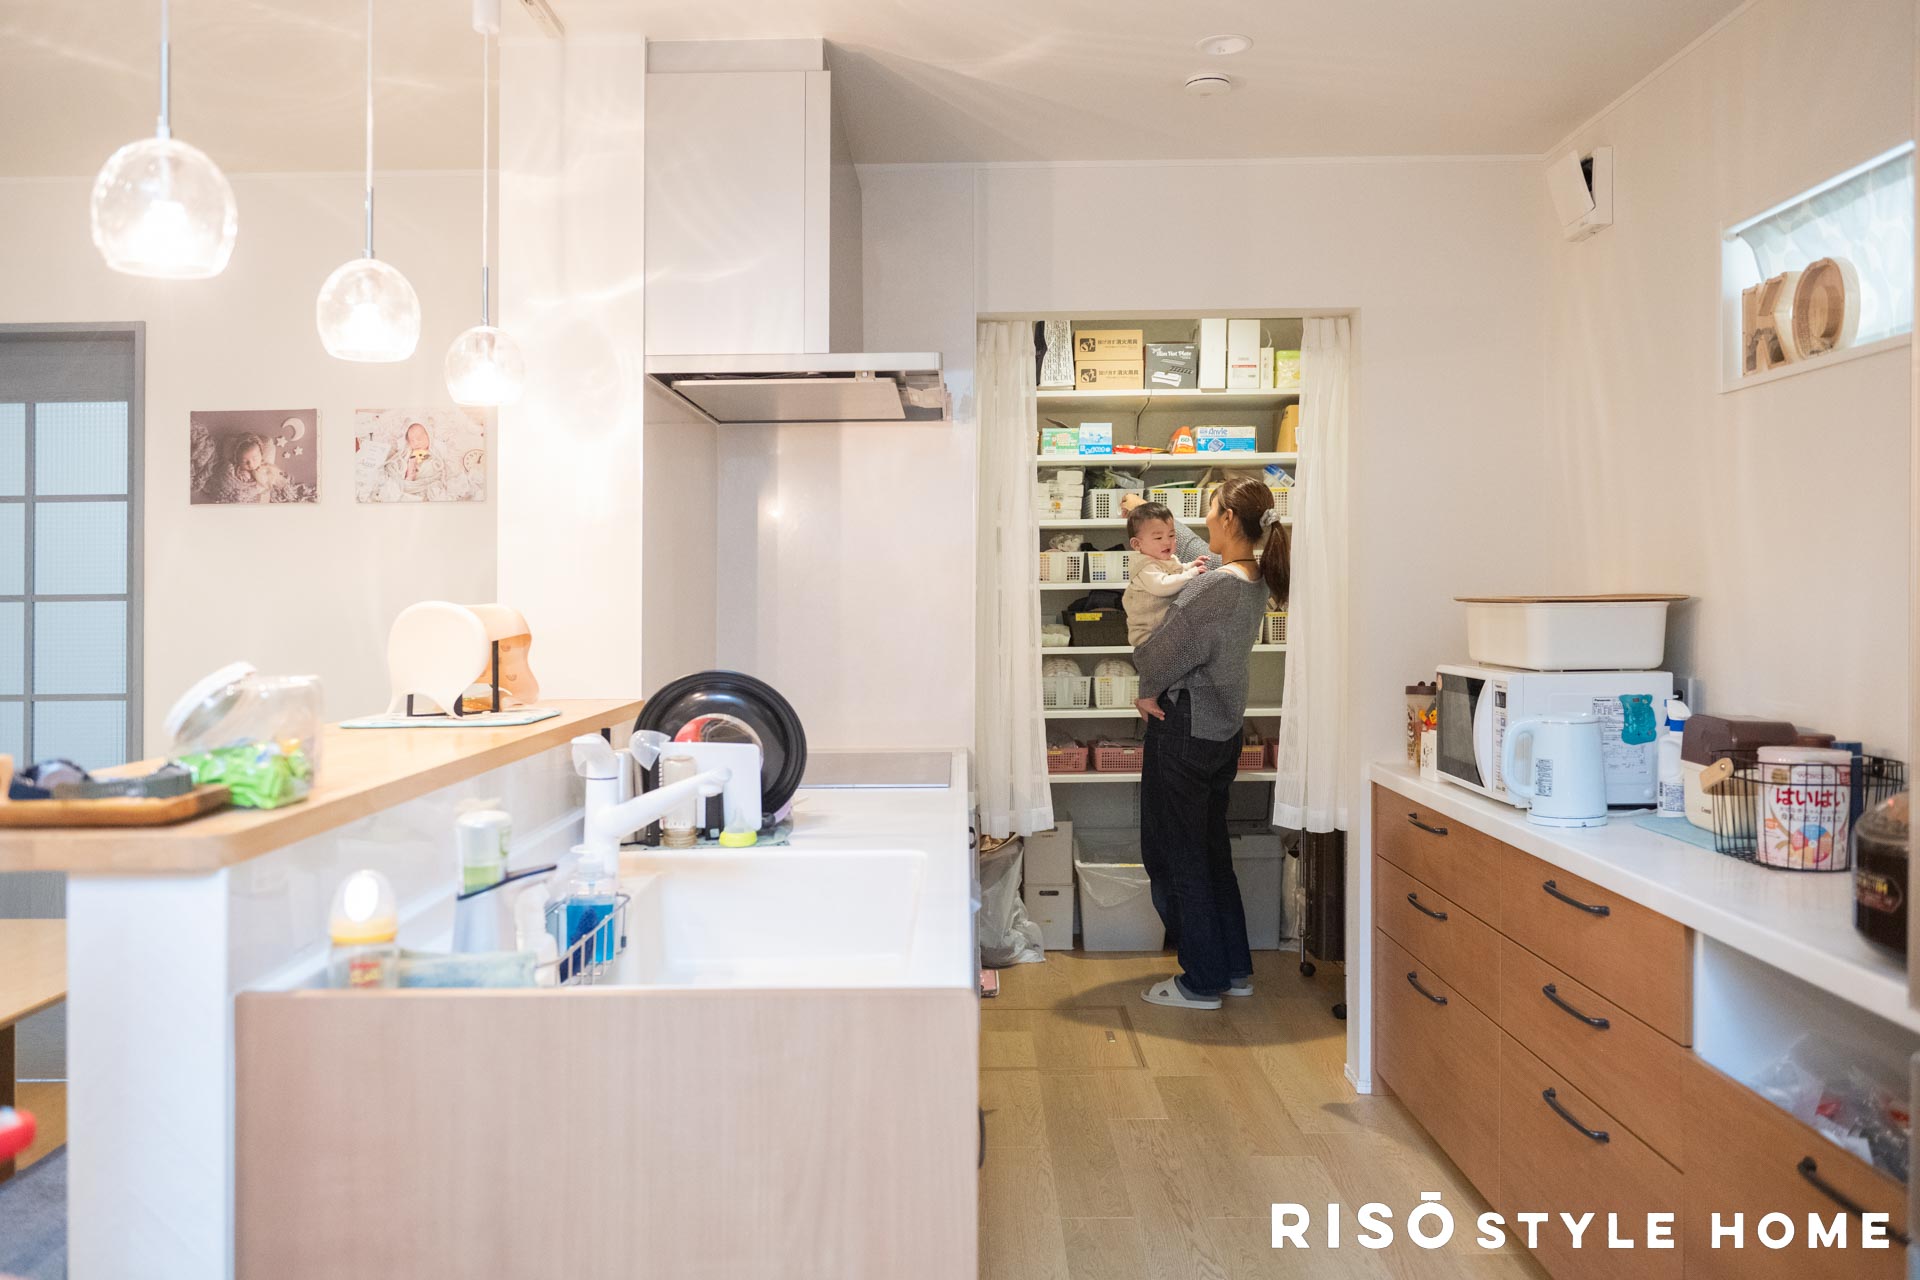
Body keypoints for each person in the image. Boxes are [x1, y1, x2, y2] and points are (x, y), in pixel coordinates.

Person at [1121, 476, 1291, 1010]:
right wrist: (1152, 512)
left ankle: (1200, 981)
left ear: (1229, 520)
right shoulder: (1252, 576)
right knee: (1212, 851)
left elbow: (1157, 657)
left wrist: (1144, 689)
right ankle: (1231, 967)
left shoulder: (1212, 588)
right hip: (1220, 732)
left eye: (1210, 510)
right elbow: (1198, 552)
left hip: (1185, 730)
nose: (1203, 520)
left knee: (1176, 856)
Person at [1120, 501, 1211, 645]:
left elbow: (1176, 571)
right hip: (1148, 634)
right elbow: (1162, 585)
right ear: (1137, 544)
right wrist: (1190, 574)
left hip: (1165, 629)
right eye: (1158, 538)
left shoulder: (1167, 559)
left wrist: (1191, 566)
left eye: (1171, 535)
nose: (1167, 542)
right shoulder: (1144, 566)